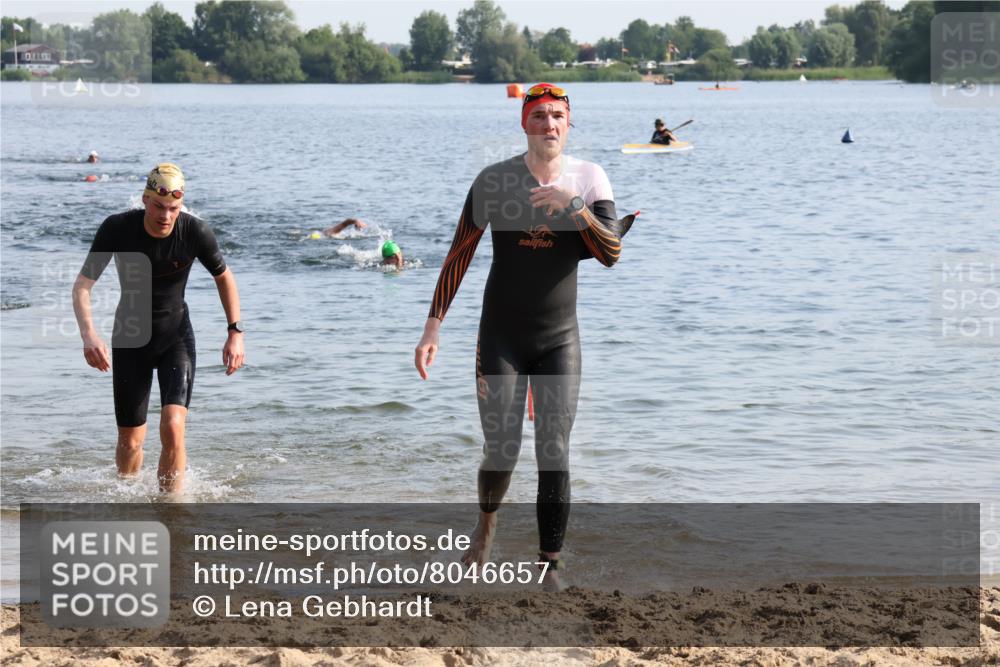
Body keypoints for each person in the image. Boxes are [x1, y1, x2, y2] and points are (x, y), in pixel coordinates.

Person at [414, 83, 636, 591]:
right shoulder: (494, 181)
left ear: (569, 124)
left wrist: (574, 205)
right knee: (501, 448)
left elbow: (610, 253)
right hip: (502, 336)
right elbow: (459, 253)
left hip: (560, 338)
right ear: (524, 124)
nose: (549, 124)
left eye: (558, 116)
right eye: (539, 116)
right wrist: (433, 327)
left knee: (553, 448)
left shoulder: (590, 177)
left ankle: (550, 566)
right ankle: (487, 524)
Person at [71, 163, 245, 493]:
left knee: (174, 426)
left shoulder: (195, 232)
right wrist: (88, 335)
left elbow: (224, 277)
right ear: (145, 200)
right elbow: (82, 286)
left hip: (175, 336)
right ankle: (126, 499)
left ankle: (172, 511)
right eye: (160, 207)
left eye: (174, 208)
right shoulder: (118, 228)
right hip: (130, 337)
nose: (167, 216)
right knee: (131, 441)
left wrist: (235, 331)